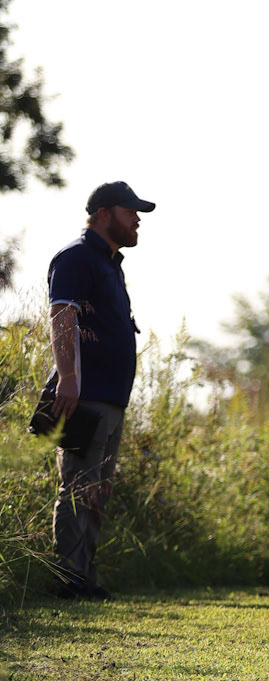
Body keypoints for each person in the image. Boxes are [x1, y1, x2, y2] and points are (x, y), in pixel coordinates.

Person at [45, 180, 156, 599]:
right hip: (84, 395)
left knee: (96, 491)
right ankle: (68, 580)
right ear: (105, 213)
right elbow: (62, 316)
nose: (137, 219)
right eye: (131, 211)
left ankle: (85, 577)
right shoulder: (76, 257)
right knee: (76, 486)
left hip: (110, 399)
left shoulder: (110, 262)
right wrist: (69, 380)